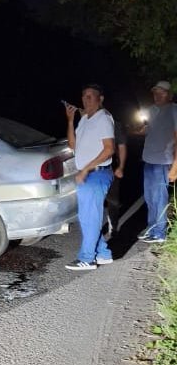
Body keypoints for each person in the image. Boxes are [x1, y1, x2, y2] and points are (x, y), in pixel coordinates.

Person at [64, 83, 115, 271]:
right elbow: (72, 145)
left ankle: (87, 258)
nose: (86, 100)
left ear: (100, 98)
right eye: (84, 96)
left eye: (90, 96)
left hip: (97, 174)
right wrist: (70, 120)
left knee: (89, 218)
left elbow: (109, 150)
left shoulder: (103, 118)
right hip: (87, 174)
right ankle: (103, 253)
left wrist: (85, 169)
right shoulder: (85, 119)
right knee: (87, 217)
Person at [137, 80, 177, 244]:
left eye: (161, 93)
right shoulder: (152, 110)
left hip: (163, 161)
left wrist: (175, 168)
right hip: (149, 160)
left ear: (169, 95)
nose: (157, 95)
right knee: (149, 197)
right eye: (155, 92)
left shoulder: (174, 110)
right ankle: (152, 227)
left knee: (160, 197)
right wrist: (142, 130)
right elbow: (149, 130)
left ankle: (160, 233)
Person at [104, 117, 128, 239]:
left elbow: (122, 146)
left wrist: (121, 167)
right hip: (92, 167)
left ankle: (113, 227)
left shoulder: (115, 124)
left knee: (113, 200)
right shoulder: (86, 121)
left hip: (111, 166)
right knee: (95, 201)